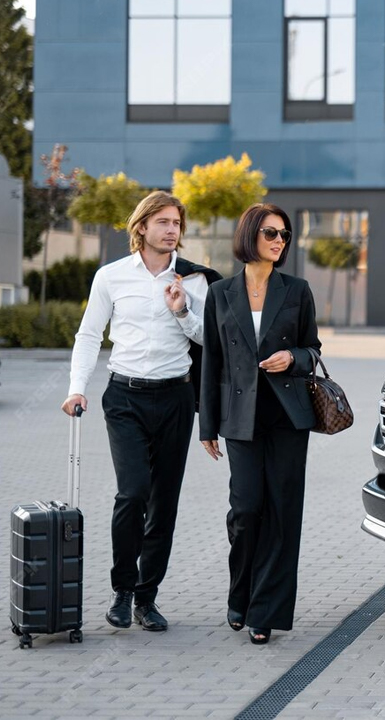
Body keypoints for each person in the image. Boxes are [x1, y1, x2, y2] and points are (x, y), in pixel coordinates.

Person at [62, 191, 218, 632]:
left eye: (177, 223)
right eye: (163, 222)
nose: (172, 230)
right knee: (132, 494)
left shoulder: (194, 281)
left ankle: (146, 599)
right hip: (125, 397)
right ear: (142, 227)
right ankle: (122, 590)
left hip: (175, 399)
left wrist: (182, 310)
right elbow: (89, 335)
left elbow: (210, 339)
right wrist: (76, 389)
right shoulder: (111, 277)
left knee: (163, 503)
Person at [199, 203, 321, 645]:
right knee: (247, 509)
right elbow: (211, 361)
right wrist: (207, 425)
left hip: (288, 417)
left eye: (284, 234)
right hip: (240, 418)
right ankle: (241, 591)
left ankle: (264, 611)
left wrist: (293, 357)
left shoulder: (297, 290)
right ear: (250, 234)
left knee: (282, 513)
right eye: (271, 232)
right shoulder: (220, 293)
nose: (279, 241)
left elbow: (313, 349)